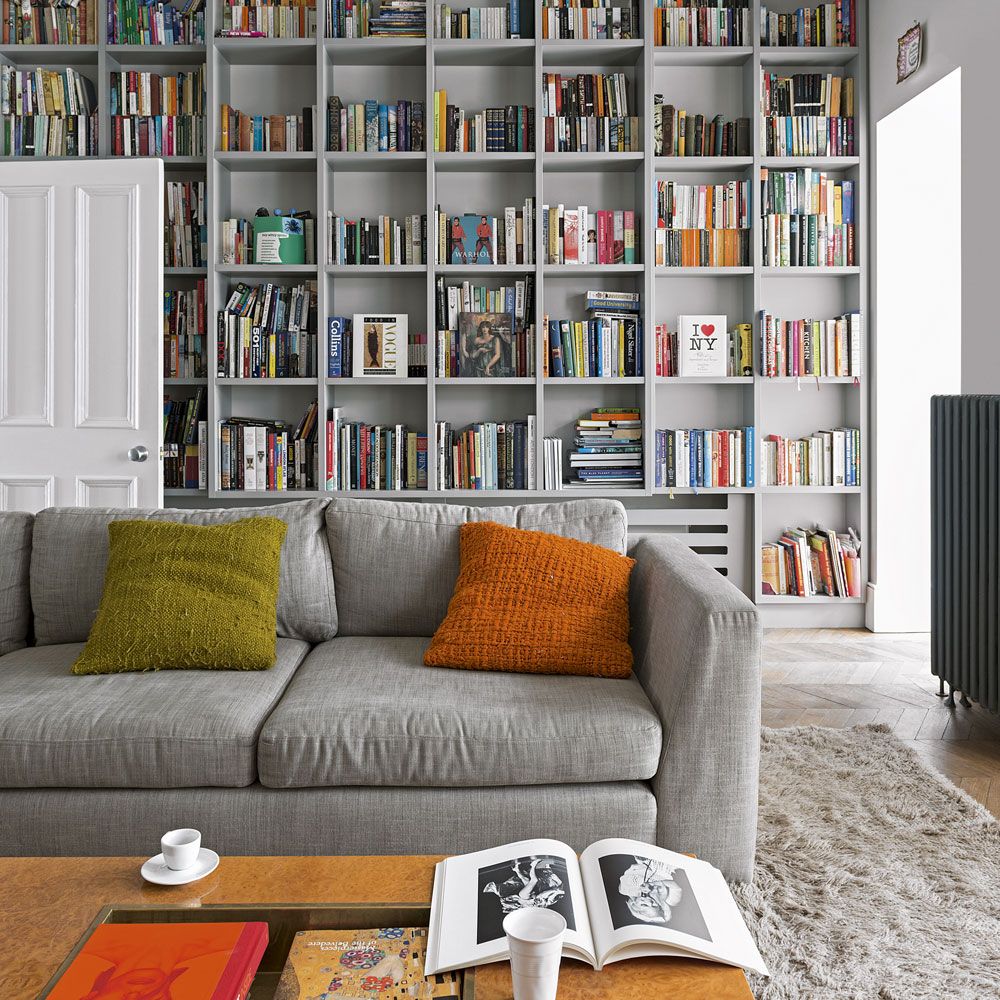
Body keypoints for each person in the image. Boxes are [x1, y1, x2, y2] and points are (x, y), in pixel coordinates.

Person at [483, 857, 565, 914]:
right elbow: (551, 893)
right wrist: (557, 887)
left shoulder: (525, 897)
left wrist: (533, 866)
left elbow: (535, 882)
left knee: (531, 881)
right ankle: (517, 870)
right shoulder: (539, 901)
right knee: (528, 881)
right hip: (529, 899)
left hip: (524, 898)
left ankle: (531, 866)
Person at [617, 857, 683, 925]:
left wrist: (640, 886)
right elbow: (676, 887)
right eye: (654, 906)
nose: (650, 902)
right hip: (664, 865)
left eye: (644, 904)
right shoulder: (670, 900)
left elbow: (623, 884)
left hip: (644, 862)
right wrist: (654, 884)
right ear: (661, 907)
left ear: (634, 904)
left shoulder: (629, 890)